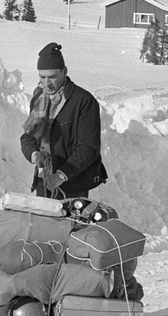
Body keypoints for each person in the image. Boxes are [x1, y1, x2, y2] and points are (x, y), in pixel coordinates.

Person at [19, 42, 108, 202]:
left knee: (71, 227)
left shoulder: (83, 101)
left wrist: (61, 175)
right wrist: (34, 154)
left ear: (64, 72)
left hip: (73, 184)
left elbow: (89, 148)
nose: (47, 84)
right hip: (43, 181)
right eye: (42, 77)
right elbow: (28, 137)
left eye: (52, 77)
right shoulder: (39, 100)